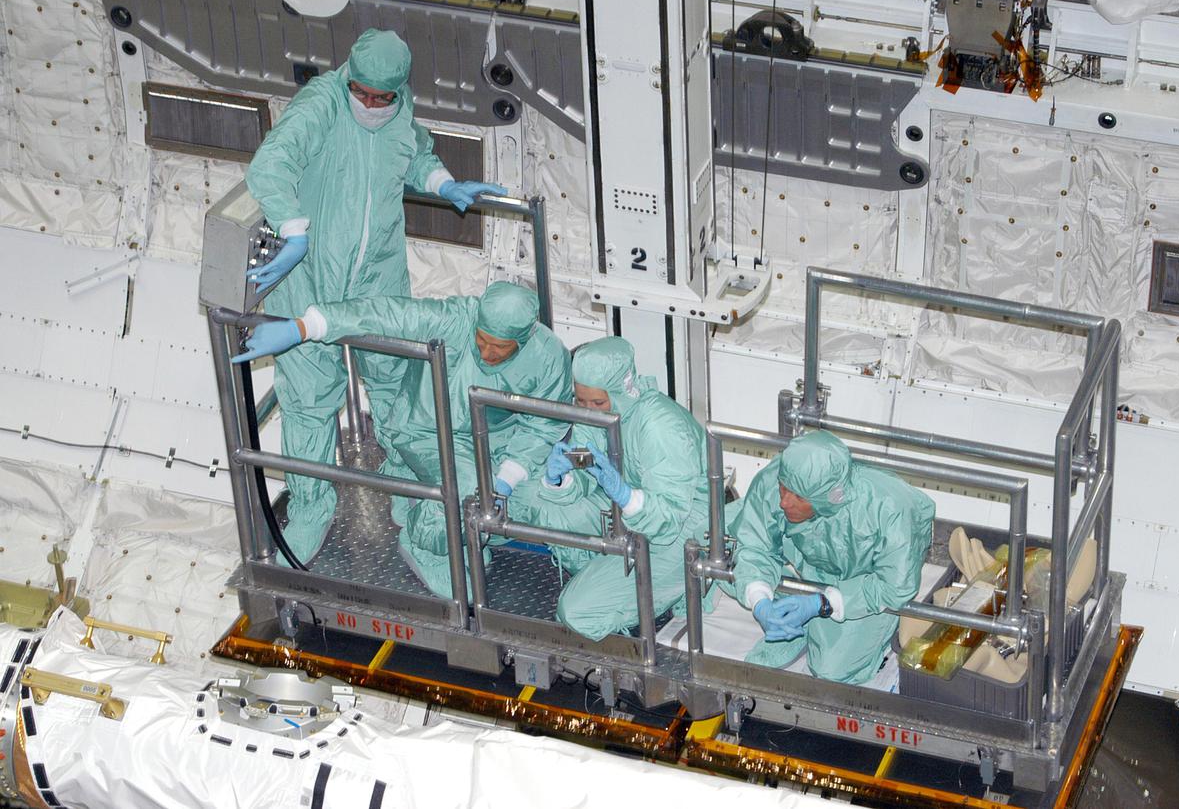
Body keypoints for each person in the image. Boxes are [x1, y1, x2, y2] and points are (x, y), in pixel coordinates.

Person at [242, 27, 505, 566]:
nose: (369, 104)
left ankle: (408, 489)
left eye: (381, 97)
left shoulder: (400, 110)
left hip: (378, 274)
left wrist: (443, 183)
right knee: (310, 401)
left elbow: (416, 153)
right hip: (309, 273)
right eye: (359, 92)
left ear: (399, 90)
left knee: (396, 386)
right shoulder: (321, 103)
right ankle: (312, 508)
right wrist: (293, 229)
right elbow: (271, 164)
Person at [233, 282, 570, 592]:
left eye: (499, 347)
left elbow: (544, 426)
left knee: (537, 502)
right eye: (481, 340)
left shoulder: (548, 357)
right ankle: (426, 546)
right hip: (427, 431)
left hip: (496, 444)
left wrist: (508, 477)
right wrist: (306, 326)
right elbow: (386, 314)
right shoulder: (457, 320)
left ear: (524, 339)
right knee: (467, 489)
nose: (486, 353)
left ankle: (451, 527)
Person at [506, 337, 708, 641]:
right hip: (630, 510)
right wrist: (560, 479)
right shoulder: (597, 413)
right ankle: (605, 578)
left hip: (683, 530)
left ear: (621, 389)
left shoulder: (660, 426)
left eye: (598, 403)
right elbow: (587, 469)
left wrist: (625, 496)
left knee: (576, 612)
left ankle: (674, 587)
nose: (589, 411)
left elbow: (668, 518)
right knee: (532, 497)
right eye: (581, 401)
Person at [727, 430, 934, 685]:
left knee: (831, 670)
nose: (785, 502)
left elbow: (894, 586)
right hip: (812, 554)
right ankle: (791, 616)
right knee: (726, 554)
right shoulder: (778, 478)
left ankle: (876, 625)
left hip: (865, 577)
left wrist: (824, 603)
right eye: (784, 488)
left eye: (798, 497)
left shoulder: (891, 510)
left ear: (828, 497)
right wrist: (760, 601)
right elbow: (755, 544)